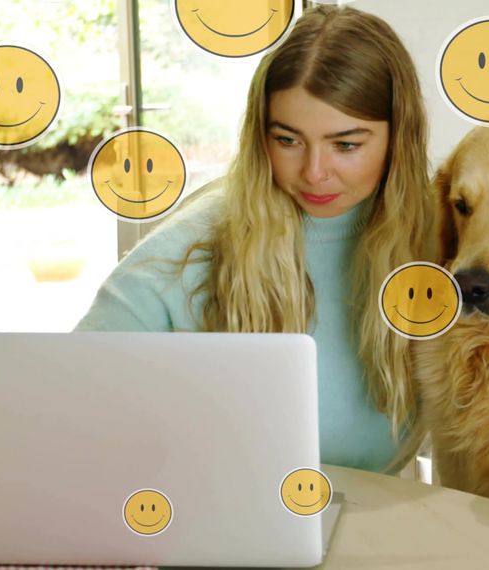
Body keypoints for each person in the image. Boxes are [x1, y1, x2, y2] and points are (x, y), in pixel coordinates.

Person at [75, 4, 433, 475]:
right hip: (224, 514)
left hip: (385, 514)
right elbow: (76, 391)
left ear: (398, 139)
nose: (314, 172)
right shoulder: (193, 242)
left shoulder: (444, 236)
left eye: (345, 145)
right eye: (287, 140)